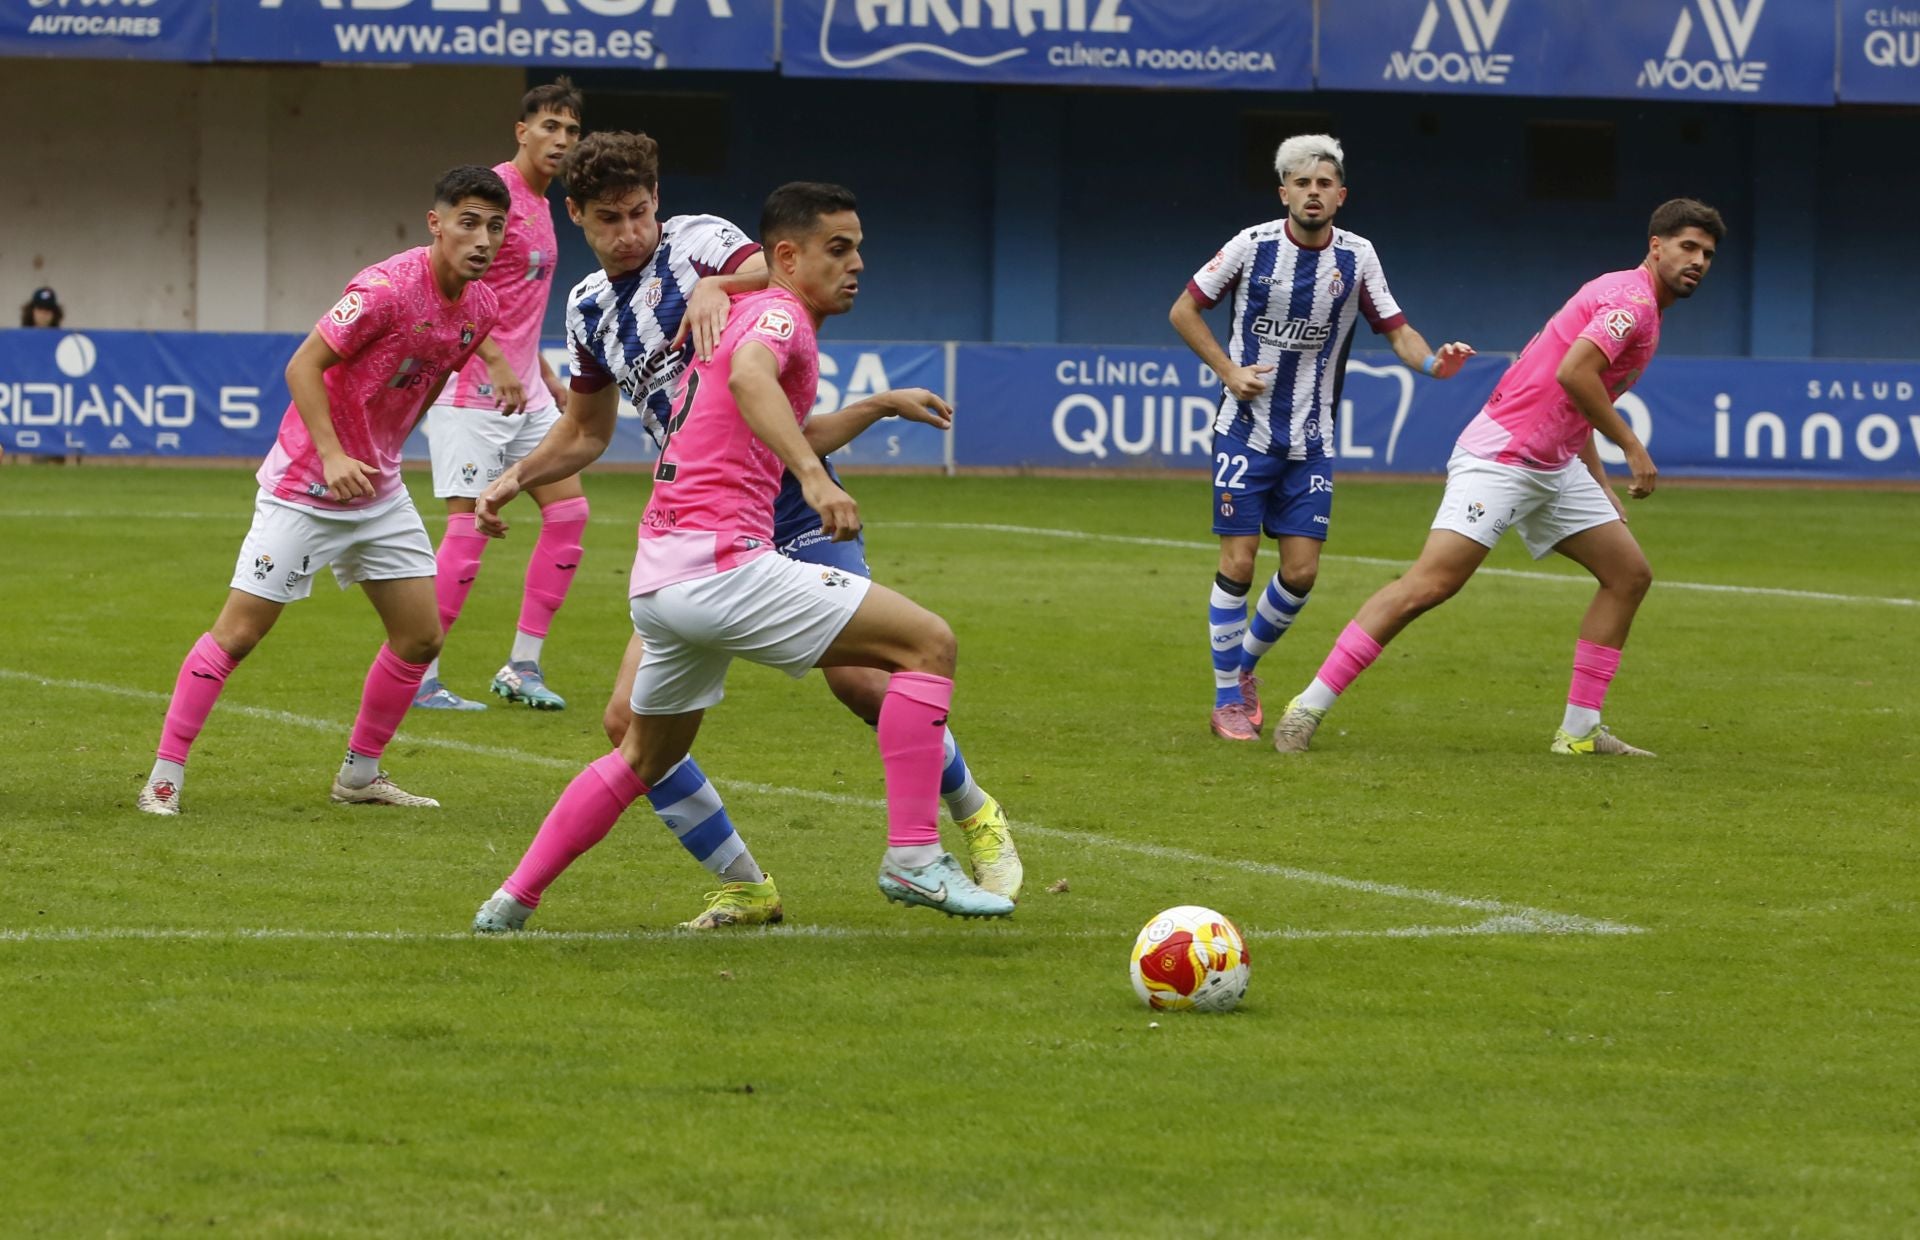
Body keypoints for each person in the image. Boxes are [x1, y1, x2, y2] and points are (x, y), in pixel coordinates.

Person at [470, 180, 1015, 934]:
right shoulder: (775, 314)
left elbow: (755, 398)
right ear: (789, 256)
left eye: (858, 247)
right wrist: (817, 479)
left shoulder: (730, 296)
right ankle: (915, 858)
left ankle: (510, 900)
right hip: (728, 559)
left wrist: (874, 406)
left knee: (640, 753)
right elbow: (750, 377)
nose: (857, 264)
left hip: (663, 571)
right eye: (840, 249)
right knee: (928, 643)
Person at [1270, 198, 1726, 758]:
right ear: (1656, 247)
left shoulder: (1639, 305)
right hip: (1502, 457)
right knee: (1428, 587)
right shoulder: (1628, 302)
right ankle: (1306, 707)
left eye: (1706, 252)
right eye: (1687, 247)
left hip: (1554, 463)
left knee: (1628, 575)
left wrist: (1598, 481)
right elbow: (1574, 373)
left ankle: (1579, 731)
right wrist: (1632, 446)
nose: (1698, 260)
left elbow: (1577, 398)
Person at [135, 166, 509, 816]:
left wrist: (382, 456)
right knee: (238, 635)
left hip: (377, 492)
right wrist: (334, 453)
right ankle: (163, 781)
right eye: (468, 221)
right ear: (437, 223)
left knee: (421, 636)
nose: (482, 238)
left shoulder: (480, 310)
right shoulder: (385, 289)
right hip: (305, 486)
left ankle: (359, 776)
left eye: (495, 226)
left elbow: (418, 392)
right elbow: (302, 364)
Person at [1171, 134, 1474, 743]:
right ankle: (1226, 698)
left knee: (1302, 575)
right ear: (1284, 191)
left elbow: (1397, 328)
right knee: (1238, 561)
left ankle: (1244, 668)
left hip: (1312, 439)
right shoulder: (1250, 246)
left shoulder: (1358, 257)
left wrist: (1433, 363)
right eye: (1301, 183)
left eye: (1323, 184)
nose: (1313, 193)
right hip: (1243, 433)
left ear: (1341, 195)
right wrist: (1229, 372)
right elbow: (1184, 309)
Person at [415, 79, 584, 713]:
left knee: (569, 516)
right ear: (522, 131)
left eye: (570, 131)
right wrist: (492, 360)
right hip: (472, 393)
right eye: (549, 127)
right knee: (468, 530)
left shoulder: (543, 204)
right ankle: (421, 676)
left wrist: (543, 376)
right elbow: (451, 291)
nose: (561, 140)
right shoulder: (493, 197)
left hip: (526, 394)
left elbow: (513, 311)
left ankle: (522, 666)